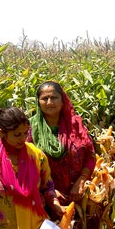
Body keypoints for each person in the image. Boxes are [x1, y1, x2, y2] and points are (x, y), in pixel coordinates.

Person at [27, 81, 95, 219]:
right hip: (45, 201)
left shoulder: (76, 124)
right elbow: (24, 165)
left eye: (54, 97)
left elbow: (90, 156)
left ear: (62, 100)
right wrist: (49, 192)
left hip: (79, 196)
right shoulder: (30, 129)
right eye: (44, 98)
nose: (49, 102)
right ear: (38, 102)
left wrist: (81, 181)